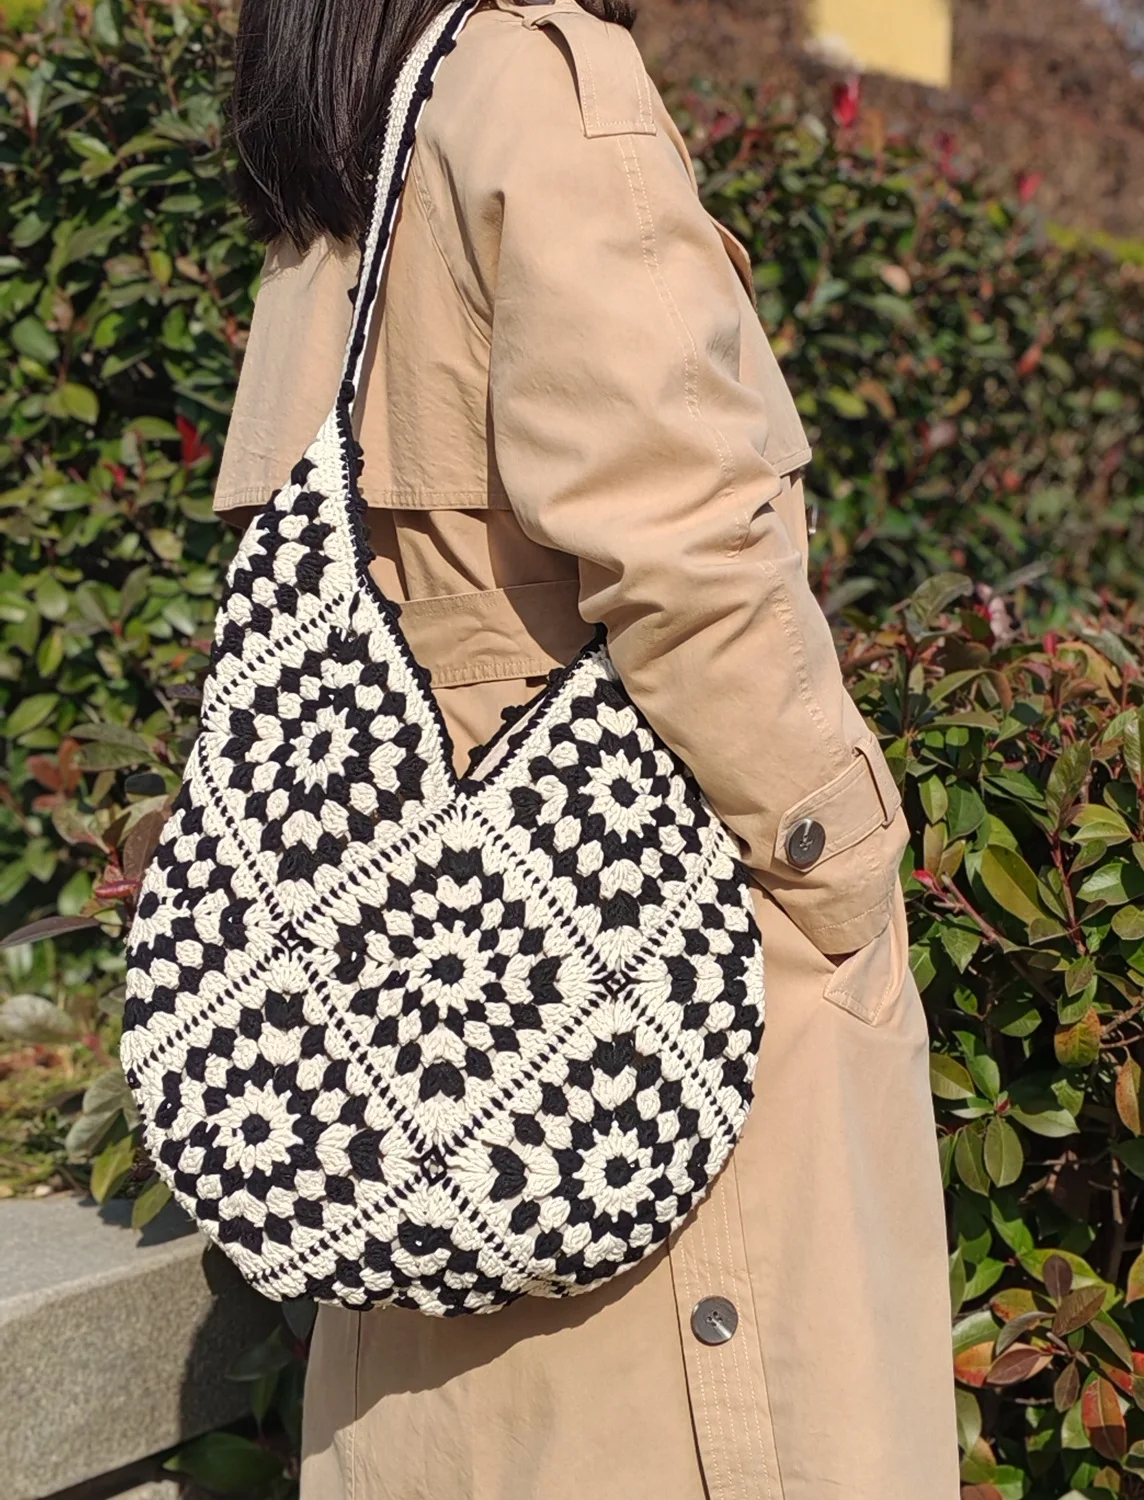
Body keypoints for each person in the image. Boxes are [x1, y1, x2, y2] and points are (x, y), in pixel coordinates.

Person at [215, 0, 956, 1493]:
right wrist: (845, 864)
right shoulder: (540, 88)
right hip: (660, 1046)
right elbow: (685, 550)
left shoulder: (344, 167)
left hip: (426, 1059)